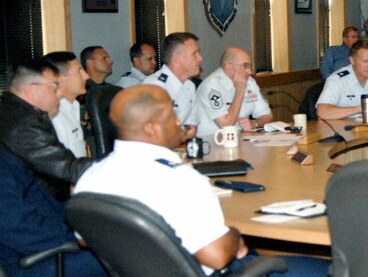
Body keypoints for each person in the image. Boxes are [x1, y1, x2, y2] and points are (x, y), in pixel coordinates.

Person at [72, 85, 329, 276]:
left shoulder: (91, 175)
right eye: (170, 116)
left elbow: (86, 237)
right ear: (150, 128)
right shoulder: (179, 178)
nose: (178, 121)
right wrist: (235, 235)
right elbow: (217, 256)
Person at [0, 147, 106, 276]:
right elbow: (23, 233)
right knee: (123, 255)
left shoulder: (6, 158)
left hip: (48, 245)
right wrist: (77, 232)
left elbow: (45, 205)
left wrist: (84, 216)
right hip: (31, 261)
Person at [0, 60, 94, 201]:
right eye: (54, 87)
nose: (60, 93)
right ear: (31, 90)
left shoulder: (13, 112)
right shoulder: (22, 125)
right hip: (29, 209)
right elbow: (67, 167)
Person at [194, 47, 273, 137]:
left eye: (251, 66)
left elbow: (267, 115)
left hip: (242, 140)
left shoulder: (249, 82)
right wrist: (240, 91)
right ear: (229, 67)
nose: (250, 71)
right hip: (214, 144)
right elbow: (226, 125)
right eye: (245, 66)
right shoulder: (211, 87)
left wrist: (255, 123)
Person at [144, 32, 203, 139]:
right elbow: (158, 133)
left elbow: (192, 127)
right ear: (177, 58)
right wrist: (182, 132)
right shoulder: (155, 86)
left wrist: (180, 133)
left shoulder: (189, 86)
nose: (200, 58)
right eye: (195, 54)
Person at [43, 52, 90, 158]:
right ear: (60, 78)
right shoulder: (53, 116)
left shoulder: (74, 106)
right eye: (79, 71)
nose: (86, 76)